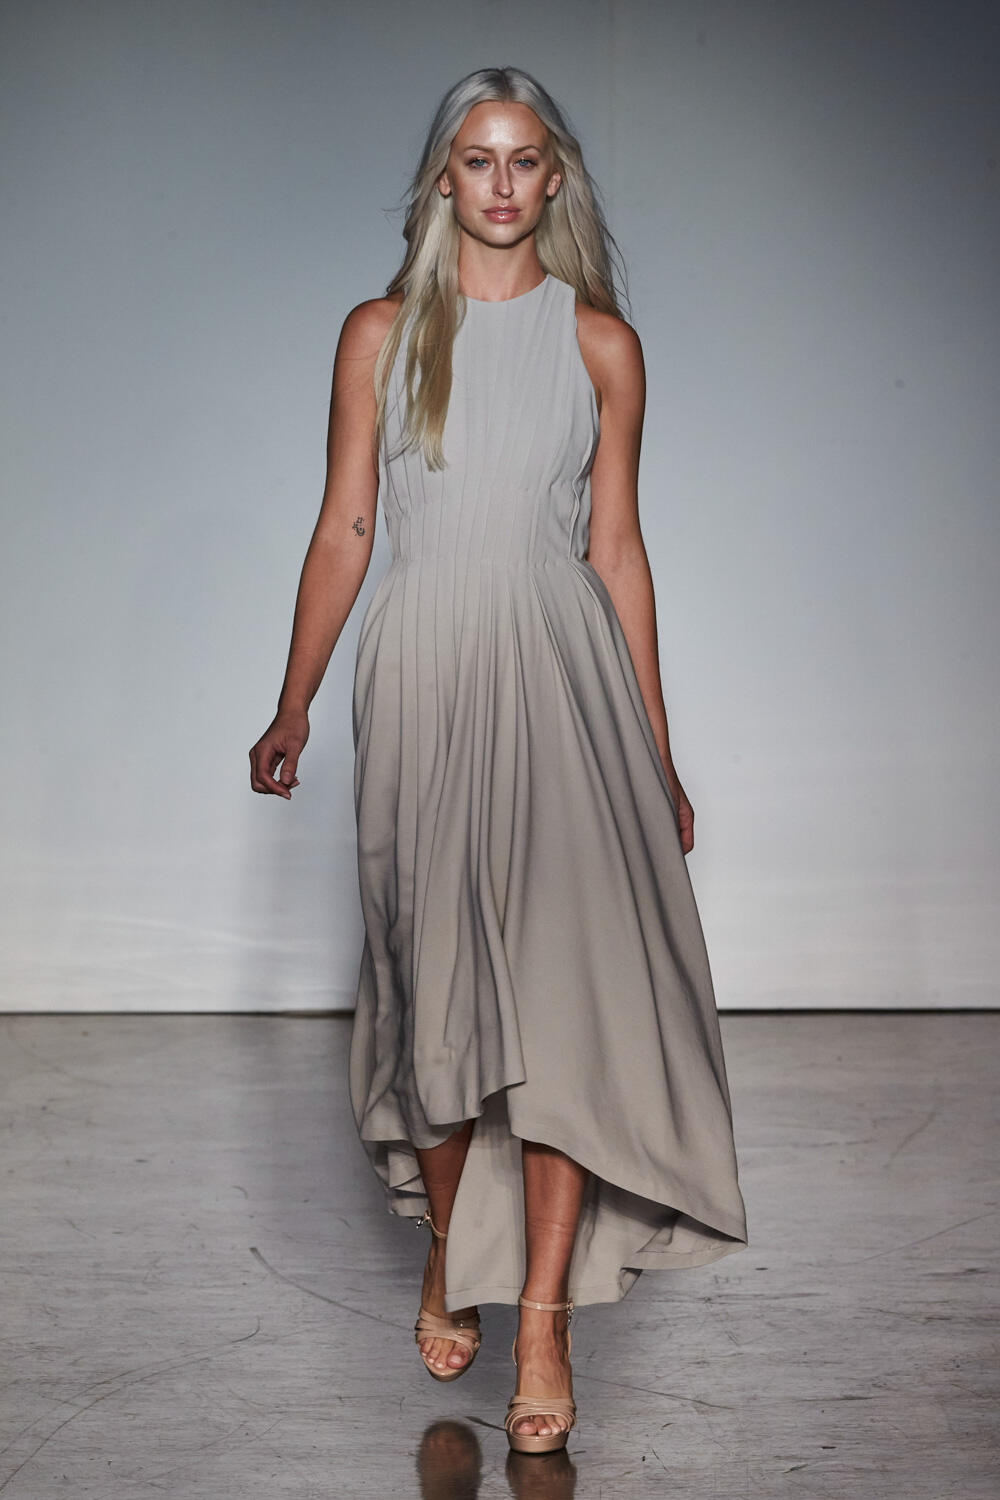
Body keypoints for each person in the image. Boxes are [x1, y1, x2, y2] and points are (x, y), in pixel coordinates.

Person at [249, 65, 749, 1455]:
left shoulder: (602, 346)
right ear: (444, 178)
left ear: (557, 176)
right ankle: (451, 1245)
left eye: (527, 160)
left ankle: (541, 1318)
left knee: (563, 1007)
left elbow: (618, 550)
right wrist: (292, 702)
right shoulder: (380, 334)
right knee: (435, 1003)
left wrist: (658, 754)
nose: (504, 184)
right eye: (479, 159)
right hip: (420, 674)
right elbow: (348, 525)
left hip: (562, 684)